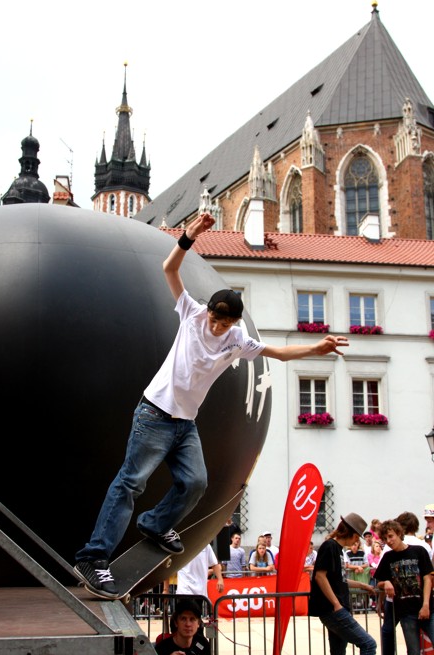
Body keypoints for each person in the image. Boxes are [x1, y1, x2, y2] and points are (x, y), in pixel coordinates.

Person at [74, 213, 349, 599]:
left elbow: (278, 352)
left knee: (196, 483)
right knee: (131, 483)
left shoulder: (237, 339)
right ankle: (94, 557)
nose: (218, 328)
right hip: (154, 414)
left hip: (185, 424)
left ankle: (155, 523)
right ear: (209, 312)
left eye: (225, 323)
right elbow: (169, 268)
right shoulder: (191, 312)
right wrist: (190, 235)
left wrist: (316, 347)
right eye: (216, 320)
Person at [308, 513, 380, 655]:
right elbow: (320, 577)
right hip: (334, 610)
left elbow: (338, 580)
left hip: (334, 609)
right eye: (356, 536)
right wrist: (336, 604)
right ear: (350, 533)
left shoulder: (337, 550)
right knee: (368, 645)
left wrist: (363, 586)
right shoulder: (330, 546)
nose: (357, 540)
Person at [375, 519, 434, 655]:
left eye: (391, 536)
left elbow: (427, 578)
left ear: (399, 533)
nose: (389, 541)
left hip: (426, 608)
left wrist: (426, 605)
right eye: (385, 538)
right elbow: (379, 581)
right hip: (406, 612)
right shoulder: (388, 558)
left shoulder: (419, 551)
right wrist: (387, 583)